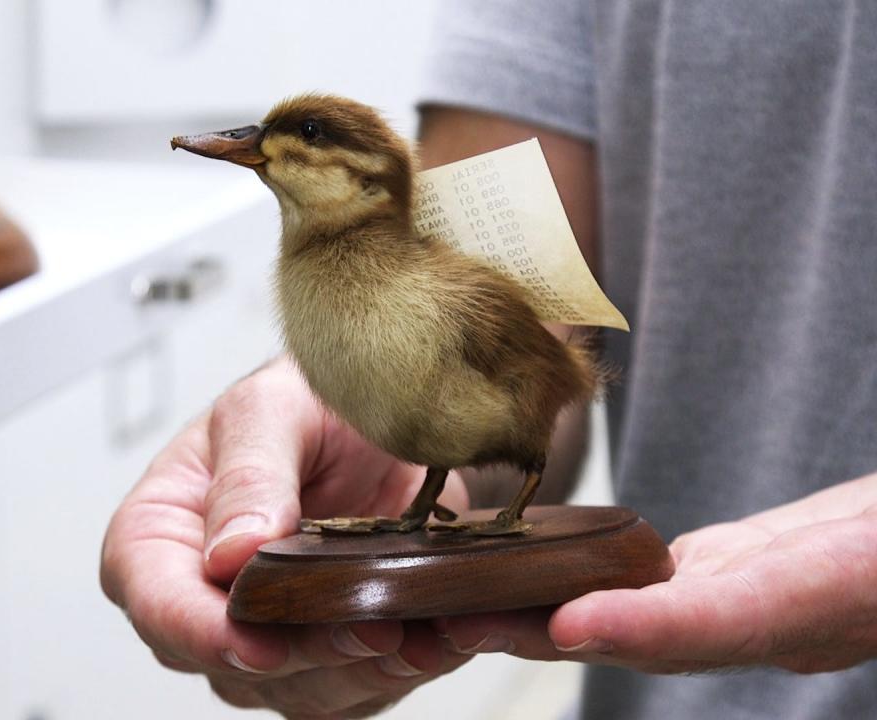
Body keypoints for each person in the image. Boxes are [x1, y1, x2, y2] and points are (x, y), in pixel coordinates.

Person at [100, 0, 877, 717]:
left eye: (300, 143)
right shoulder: (392, 269)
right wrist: (353, 449)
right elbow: (540, 296)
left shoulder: (416, 284)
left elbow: (528, 359)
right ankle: (423, 505)